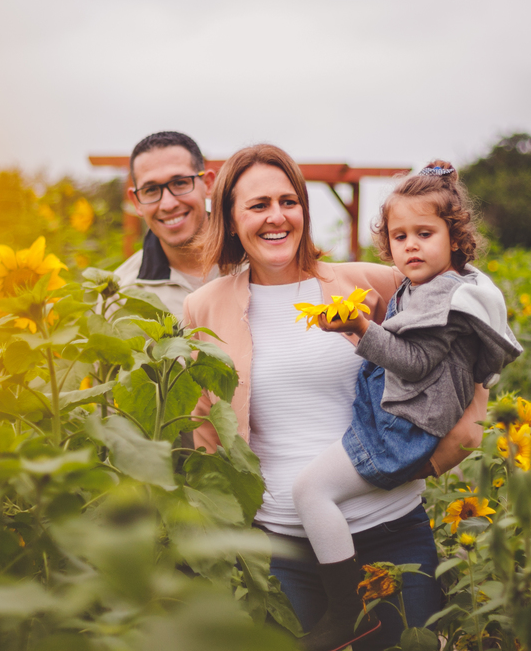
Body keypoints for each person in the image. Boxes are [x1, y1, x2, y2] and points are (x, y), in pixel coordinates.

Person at [182, 145, 490, 651]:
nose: (276, 217)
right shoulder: (205, 308)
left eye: (288, 200)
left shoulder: (373, 283)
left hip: (391, 529)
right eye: (258, 205)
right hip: (282, 549)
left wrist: (447, 448)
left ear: (304, 208)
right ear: (233, 221)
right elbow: (207, 429)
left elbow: (463, 348)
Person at [291, 162, 521, 650]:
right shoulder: (435, 286)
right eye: (400, 236)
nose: (411, 245)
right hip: (400, 422)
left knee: (310, 492)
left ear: (455, 239)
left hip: (401, 430)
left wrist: (358, 327)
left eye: (425, 232)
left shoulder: (444, 299)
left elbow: (414, 363)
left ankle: (347, 611)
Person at [113, 131, 218, 316]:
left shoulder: (255, 262)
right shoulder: (119, 295)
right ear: (136, 202)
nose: (168, 204)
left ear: (208, 184)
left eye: (180, 183)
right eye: (151, 189)